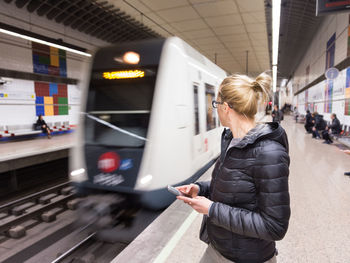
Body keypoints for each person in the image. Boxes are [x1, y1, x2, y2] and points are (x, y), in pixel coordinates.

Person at [176, 72, 290, 263]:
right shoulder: (231, 141)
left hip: (248, 257)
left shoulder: (270, 154)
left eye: (216, 104)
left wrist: (211, 209)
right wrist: (200, 188)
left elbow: (274, 226)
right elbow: (232, 183)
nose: (215, 110)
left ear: (226, 108)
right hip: (218, 247)